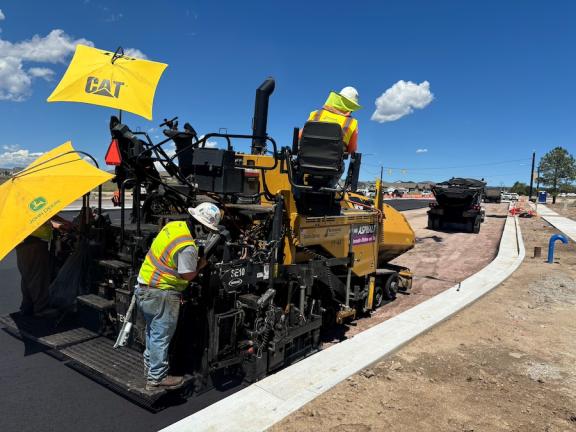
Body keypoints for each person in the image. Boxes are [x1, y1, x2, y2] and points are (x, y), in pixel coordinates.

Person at [136, 202, 221, 390]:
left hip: (144, 287)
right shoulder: (187, 246)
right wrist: (201, 263)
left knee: (152, 332)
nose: (206, 234)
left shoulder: (173, 227)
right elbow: (188, 275)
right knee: (161, 335)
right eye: (207, 230)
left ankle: (150, 369)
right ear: (200, 226)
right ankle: (156, 378)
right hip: (162, 293)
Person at [15, 216, 73, 317]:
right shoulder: (30, 204)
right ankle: (41, 308)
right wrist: (60, 223)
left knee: (28, 276)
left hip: (24, 241)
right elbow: (43, 214)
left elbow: (46, 215)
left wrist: (59, 223)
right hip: (33, 241)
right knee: (39, 276)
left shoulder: (18, 204)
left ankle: (27, 306)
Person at [307, 86, 362, 154]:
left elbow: (300, 136)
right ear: (352, 107)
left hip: (304, 161)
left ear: (337, 98)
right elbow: (352, 150)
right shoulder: (352, 123)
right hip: (334, 164)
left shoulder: (316, 114)